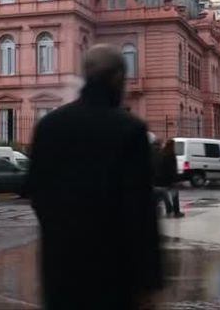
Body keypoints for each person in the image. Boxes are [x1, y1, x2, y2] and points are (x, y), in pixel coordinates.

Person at [28, 44, 162, 309]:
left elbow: (35, 193)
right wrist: (148, 281)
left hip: (61, 268)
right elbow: (140, 211)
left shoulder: (49, 126)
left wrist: (61, 232)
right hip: (114, 272)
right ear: (117, 79)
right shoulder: (130, 129)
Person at [154, 139, 184, 218]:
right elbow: (173, 169)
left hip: (163, 179)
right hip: (171, 179)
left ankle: (168, 209)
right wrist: (175, 179)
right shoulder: (171, 155)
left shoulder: (162, 154)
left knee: (164, 195)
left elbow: (161, 166)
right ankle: (176, 212)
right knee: (174, 196)